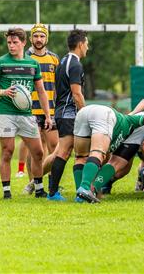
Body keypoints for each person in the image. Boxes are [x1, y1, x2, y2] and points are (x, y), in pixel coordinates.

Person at [0, 27, 51, 199]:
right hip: (6, 114)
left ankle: (39, 188)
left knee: (38, 152)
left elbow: (41, 91)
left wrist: (48, 115)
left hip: (27, 115)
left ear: (23, 43)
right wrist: (3, 92)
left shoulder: (32, 64)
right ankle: (7, 192)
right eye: (9, 43)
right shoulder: (0, 62)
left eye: (15, 42)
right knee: (7, 151)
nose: (11, 46)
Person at [46, 29, 88, 201]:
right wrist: (84, 113)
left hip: (62, 111)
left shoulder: (64, 60)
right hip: (68, 113)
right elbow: (76, 94)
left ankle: (51, 188)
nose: (87, 47)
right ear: (80, 44)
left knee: (66, 151)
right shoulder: (75, 64)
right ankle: (52, 192)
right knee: (64, 152)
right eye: (87, 44)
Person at [20, 23, 60, 193]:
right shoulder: (25, 58)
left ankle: (51, 181)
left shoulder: (54, 59)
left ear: (46, 38)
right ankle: (33, 183)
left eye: (42, 36)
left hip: (50, 110)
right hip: (31, 110)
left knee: (55, 146)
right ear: (30, 38)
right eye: (35, 36)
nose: (38, 39)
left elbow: (59, 85)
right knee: (34, 149)